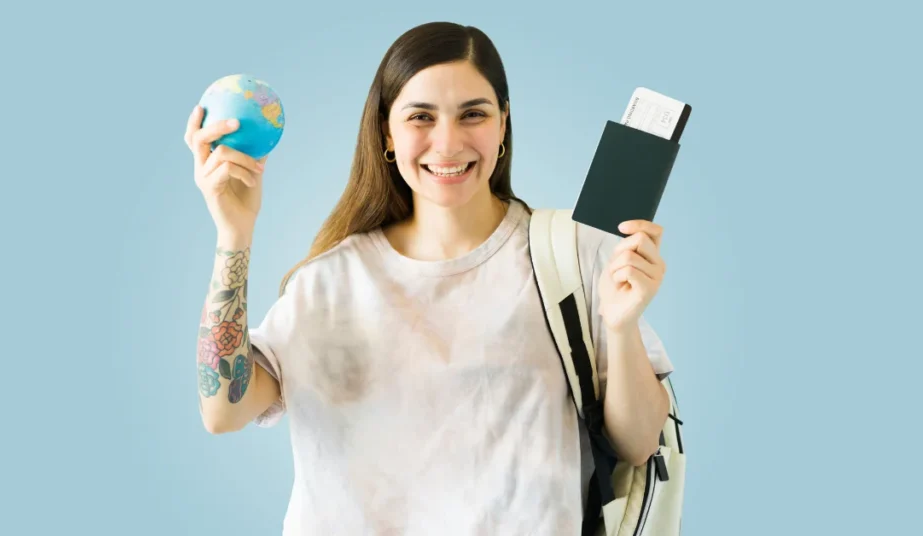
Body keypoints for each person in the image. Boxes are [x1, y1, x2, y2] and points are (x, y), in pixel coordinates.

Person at [184, 21, 673, 535]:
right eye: (421, 116)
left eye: (473, 115)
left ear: (503, 124)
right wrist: (234, 235)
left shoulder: (573, 256)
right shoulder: (327, 284)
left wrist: (620, 328)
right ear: (387, 133)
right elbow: (224, 410)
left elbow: (638, 444)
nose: (448, 142)